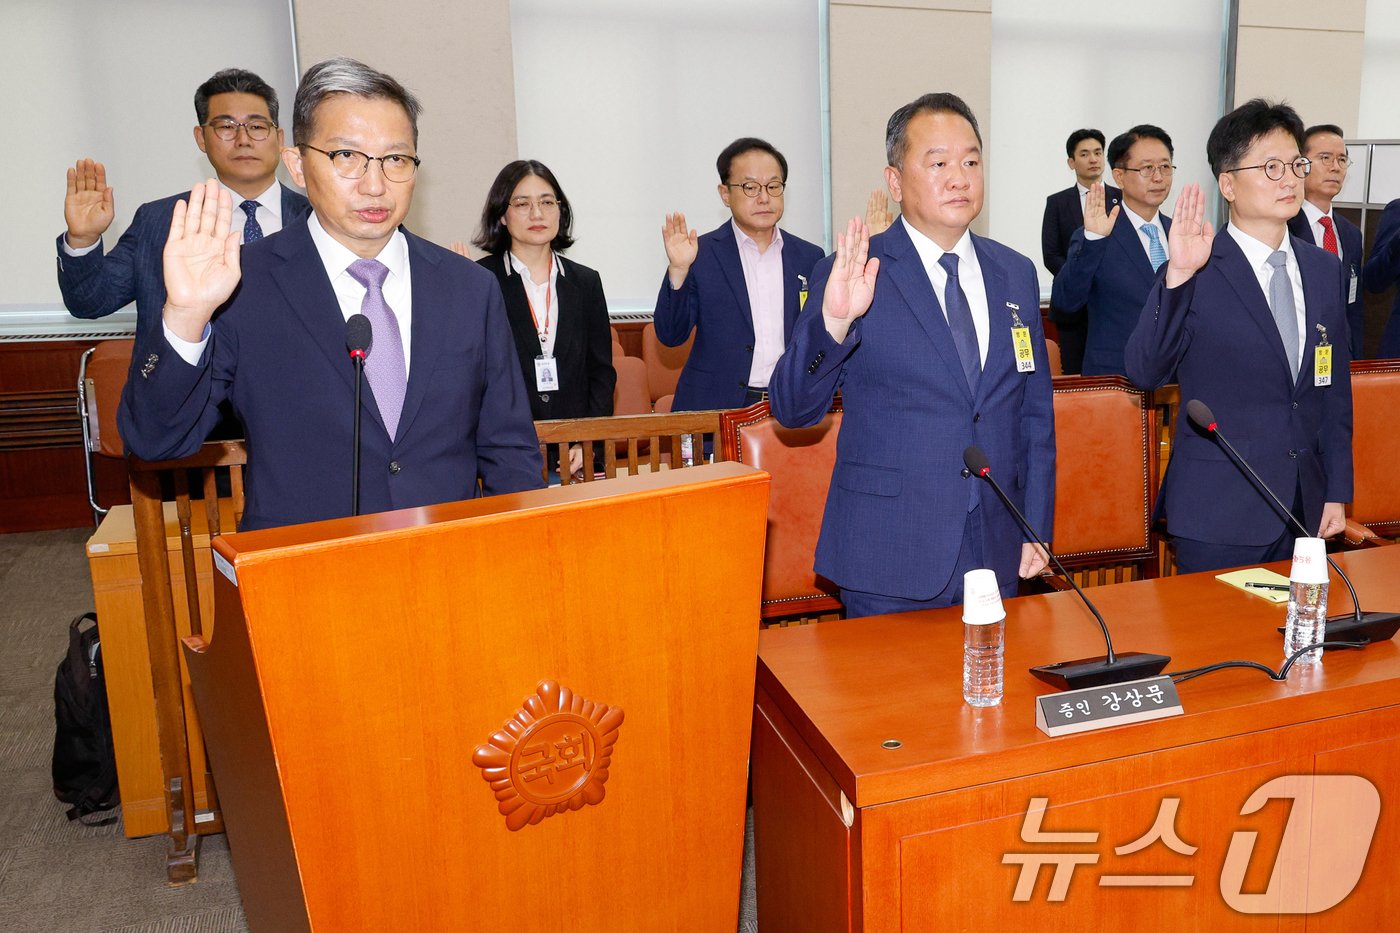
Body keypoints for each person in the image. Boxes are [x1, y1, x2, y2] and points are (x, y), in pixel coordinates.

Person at [118, 57, 543, 531]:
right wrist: (185, 315)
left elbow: (509, 447)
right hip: (301, 572)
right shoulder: (243, 284)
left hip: (445, 568)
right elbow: (155, 440)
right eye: (346, 156)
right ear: (298, 165)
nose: (375, 183)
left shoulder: (469, 288)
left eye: (396, 159)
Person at [769, 92, 1056, 618]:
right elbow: (792, 409)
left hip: (996, 538)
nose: (959, 177)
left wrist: (1034, 523)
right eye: (939, 163)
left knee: (991, 697)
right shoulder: (855, 269)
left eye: (971, 161)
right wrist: (835, 321)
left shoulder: (1015, 272)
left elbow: (1034, 415)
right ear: (895, 182)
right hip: (889, 548)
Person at [1125, 99, 1352, 574]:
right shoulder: (1196, 266)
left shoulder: (1323, 268)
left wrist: (1336, 491)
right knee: (1217, 649)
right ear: (1227, 183)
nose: (1289, 178)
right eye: (1270, 167)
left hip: (1305, 507)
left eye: (1295, 164)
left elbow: (1333, 395)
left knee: (1300, 645)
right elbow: (1145, 370)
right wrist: (1180, 274)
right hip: (1218, 513)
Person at [58, 68, 311, 345]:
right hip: (191, 384)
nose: (243, 139)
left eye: (257, 127)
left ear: (279, 138)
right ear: (201, 138)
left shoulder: (316, 218)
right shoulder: (158, 222)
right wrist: (83, 239)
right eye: (226, 127)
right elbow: (89, 302)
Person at [464, 160, 616, 478]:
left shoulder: (586, 282)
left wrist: (586, 443)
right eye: (522, 204)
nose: (537, 214)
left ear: (560, 211)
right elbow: (470, 377)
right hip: (505, 454)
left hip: (575, 456)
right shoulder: (479, 279)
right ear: (502, 215)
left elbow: (601, 373)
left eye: (547, 202)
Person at [655, 137, 824, 411]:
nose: (764, 197)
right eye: (750, 187)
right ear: (725, 194)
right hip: (716, 408)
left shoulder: (810, 257)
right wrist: (678, 269)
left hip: (789, 408)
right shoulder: (700, 254)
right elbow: (671, 336)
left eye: (773, 186)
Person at [1051, 125, 1175, 376]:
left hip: (1176, 381)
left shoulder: (1181, 234)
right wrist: (1093, 240)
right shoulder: (1099, 233)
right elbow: (1065, 303)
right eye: (1147, 168)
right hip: (1116, 380)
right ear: (1119, 176)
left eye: (1165, 167)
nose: (1158, 177)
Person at [1042, 129, 1122, 375]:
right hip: (1073, 308)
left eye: (1098, 152)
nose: (1093, 159)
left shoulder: (1122, 199)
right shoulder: (1057, 202)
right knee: (1076, 374)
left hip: (1111, 304)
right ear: (1071, 162)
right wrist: (1079, 277)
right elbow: (1051, 254)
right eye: (1085, 154)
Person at [1288, 125, 1364, 358]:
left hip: (1340, 355)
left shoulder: (1351, 234)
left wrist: (1355, 359)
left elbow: (1353, 306)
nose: (1335, 167)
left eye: (1342, 160)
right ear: (1301, 165)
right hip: (1297, 354)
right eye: (1325, 158)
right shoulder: (1284, 227)